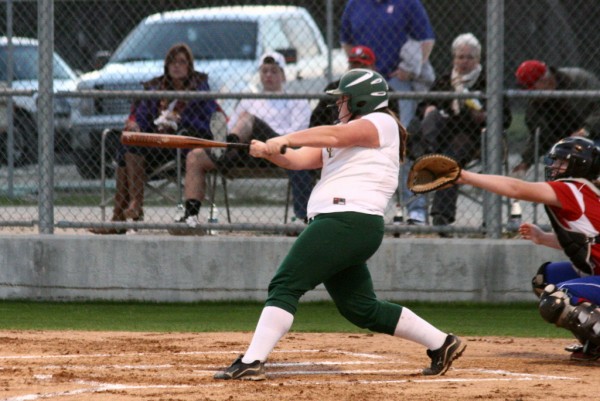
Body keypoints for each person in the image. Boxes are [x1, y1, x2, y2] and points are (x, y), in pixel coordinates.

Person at [213, 69, 466, 381]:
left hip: (345, 220)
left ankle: (252, 361)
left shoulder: (380, 123)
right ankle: (442, 343)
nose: (339, 105)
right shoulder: (345, 131)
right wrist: (269, 152)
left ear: (362, 101)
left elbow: (332, 136)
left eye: (344, 99)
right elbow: (298, 159)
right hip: (349, 226)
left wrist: (286, 138)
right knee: (361, 308)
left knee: (286, 284)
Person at [458, 136, 600, 361]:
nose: (554, 167)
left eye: (562, 162)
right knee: (546, 278)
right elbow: (588, 240)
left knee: (560, 297)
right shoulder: (583, 192)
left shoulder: (571, 189)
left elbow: (516, 188)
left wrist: (464, 176)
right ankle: (594, 344)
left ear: (580, 165)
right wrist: (543, 238)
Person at [172, 52, 313, 228]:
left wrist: (265, 135)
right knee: (194, 157)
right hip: (245, 151)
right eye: (265, 71)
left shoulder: (296, 101)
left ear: (283, 75)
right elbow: (232, 127)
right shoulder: (249, 99)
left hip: (277, 151)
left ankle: (230, 144)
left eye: (274, 71)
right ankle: (190, 217)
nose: (268, 75)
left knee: (249, 120)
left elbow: (297, 135)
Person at [90, 43, 217, 235]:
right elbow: (142, 116)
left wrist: (180, 120)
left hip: (182, 146)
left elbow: (205, 122)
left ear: (189, 66)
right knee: (128, 143)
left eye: (182, 62)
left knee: (127, 151)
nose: (176, 66)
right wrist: (136, 126)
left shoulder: (199, 88)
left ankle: (120, 217)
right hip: (155, 145)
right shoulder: (156, 88)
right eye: (172, 62)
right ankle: (132, 206)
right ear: (167, 65)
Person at [417, 33, 512, 232]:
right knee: (431, 119)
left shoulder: (488, 82)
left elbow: (506, 118)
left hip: (473, 135)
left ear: (478, 59)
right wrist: (428, 108)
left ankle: (441, 217)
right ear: (454, 58)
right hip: (442, 133)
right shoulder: (444, 81)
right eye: (460, 57)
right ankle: (429, 153)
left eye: (469, 57)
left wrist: (486, 115)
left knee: (450, 159)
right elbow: (422, 107)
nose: (464, 62)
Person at [339, 0, 435, 127]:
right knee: (363, 125)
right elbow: (346, 41)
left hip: (397, 80)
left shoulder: (409, 3)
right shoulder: (354, 4)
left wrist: (410, 70)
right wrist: (358, 67)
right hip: (363, 82)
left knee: (401, 127)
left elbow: (427, 40)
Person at [512, 60, 600, 177]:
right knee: (552, 159)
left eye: (533, 89)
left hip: (594, 135)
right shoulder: (535, 105)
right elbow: (538, 136)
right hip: (565, 145)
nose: (531, 95)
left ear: (545, 81)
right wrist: (526, 161)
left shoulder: (579, 79)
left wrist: (585, 131)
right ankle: (563, 193)